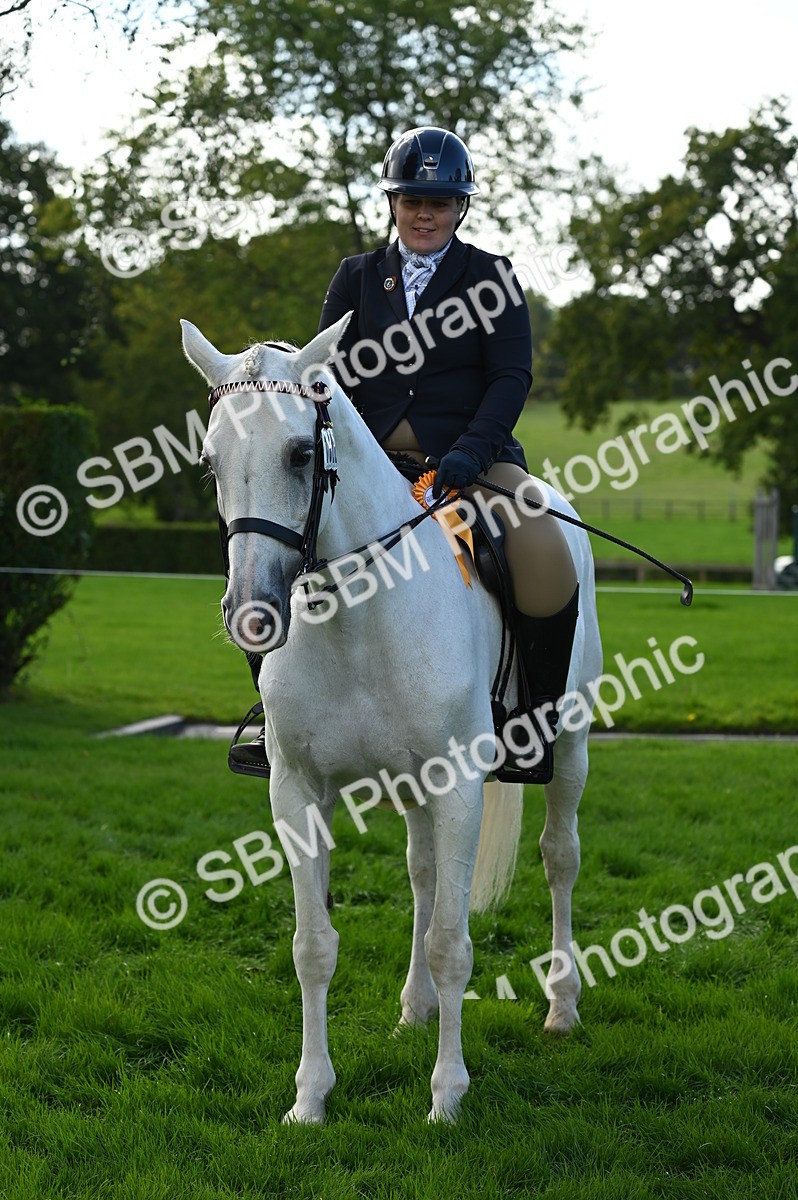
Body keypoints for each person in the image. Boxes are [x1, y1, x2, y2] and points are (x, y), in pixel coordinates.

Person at [228, 126, 578, 780]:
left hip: (473, 462)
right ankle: (275, 715)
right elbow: (324, 375)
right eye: (413, 199)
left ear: (460, 208)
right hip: (369, 465)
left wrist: (469, 454)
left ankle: (528, 724)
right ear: (393, 202)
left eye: (440, 202)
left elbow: (510, 379)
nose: (425, 213)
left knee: (542, 550)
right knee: (271, 541)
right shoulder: (356, 278)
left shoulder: (491, 277)